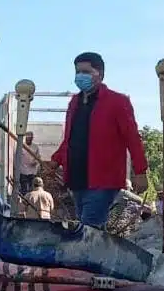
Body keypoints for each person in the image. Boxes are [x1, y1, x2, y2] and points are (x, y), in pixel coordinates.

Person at [51, 51, 149, 228]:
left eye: (86, 72)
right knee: (87, 227)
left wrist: (140, 171)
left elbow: (132, 138)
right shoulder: (74, 103)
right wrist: (56, 160)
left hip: (103, 179)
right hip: (77, 178)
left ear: (100, 74)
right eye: (77, 72)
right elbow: (70, 139)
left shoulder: (117, 102)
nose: (81, 76)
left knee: (89, 228)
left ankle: (88, 255)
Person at [18, 131, 41, 196]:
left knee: (32, 189)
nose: (28, 139)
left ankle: (31, 202)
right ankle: (25, 203)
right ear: (25, 138)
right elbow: (17, 157)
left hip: (32, 171)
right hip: (23, 171)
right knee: (24, 189)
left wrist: (35, 162)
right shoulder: (21, 146)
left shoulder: (35, 147)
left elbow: (38, 157)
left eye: (30, 138)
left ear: (32, 138)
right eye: (27, 138)